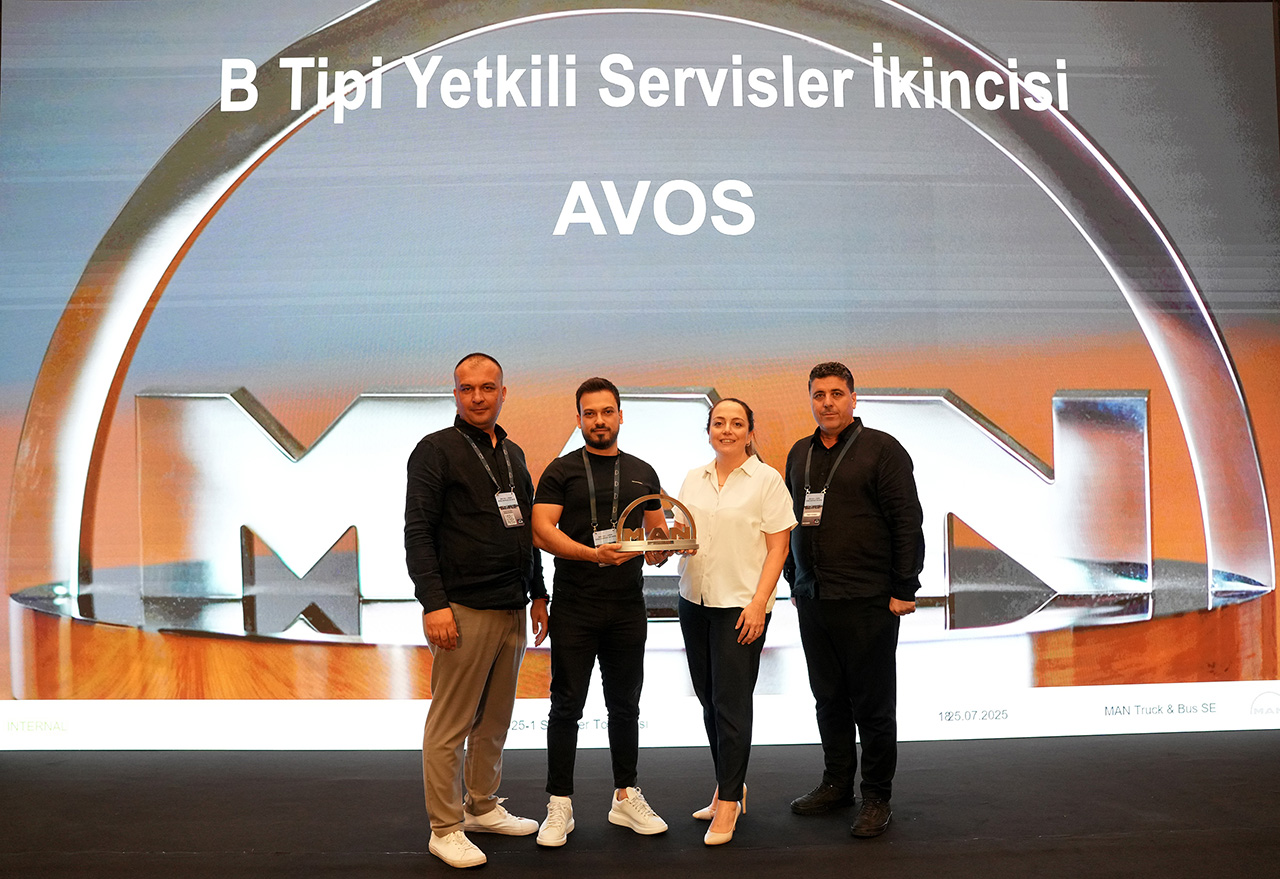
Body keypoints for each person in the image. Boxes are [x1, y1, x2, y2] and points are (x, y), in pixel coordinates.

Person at [404, 352, 549, 869]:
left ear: (503, 392)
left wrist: (538, 593)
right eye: (467, 389)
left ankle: (481, 807)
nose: (478, 397)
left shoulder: (513, 453)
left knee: (494, 720)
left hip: (512, 607)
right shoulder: (435, 450)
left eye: (488, 387)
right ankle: (445, 828)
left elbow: (525, 530)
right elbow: (418, 532)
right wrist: (434, 604)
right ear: (455, 394)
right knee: (450, 725)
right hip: (462, 609)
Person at [782, 361, 925, 838]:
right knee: (828, 699)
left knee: (873, 705)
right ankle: (837, 784)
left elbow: (907, 520)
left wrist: (904, 588)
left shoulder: (882, 449)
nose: (828, 403)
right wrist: (795, 580)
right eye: (819, 395)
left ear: (853, 398)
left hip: (869, 599)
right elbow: (791, 521)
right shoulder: (799, 453)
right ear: (811, 400)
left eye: (837, 394)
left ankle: (877, 796)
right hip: (814, 598)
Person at [530, 377, 671, 847]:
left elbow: (656, 535)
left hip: (628, 606)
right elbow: (541, 531)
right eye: (589, 414)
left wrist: (660, 551)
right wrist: (592, 554)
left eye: (607, 412)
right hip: (575, 605)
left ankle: (626, 796)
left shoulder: (642, 471)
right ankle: (559, 805)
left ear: (620, 416)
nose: (599, 421)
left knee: (625, 705)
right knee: (566, 706)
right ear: (579, 420)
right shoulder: (561, 471)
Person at [675, 397, 797, 846]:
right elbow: (684, 535)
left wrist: (760, 602)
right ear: (708, 430)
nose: (726, 430)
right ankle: (728, 785)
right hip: (694, 601)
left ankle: (729, 802)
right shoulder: (694, 478)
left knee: (732, 704)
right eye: (719, 423)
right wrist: (669, 545)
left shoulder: (767, 480)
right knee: (709, 700)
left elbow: (778, 549)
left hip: (741, 607)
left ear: (750, 432)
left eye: (736, 423)